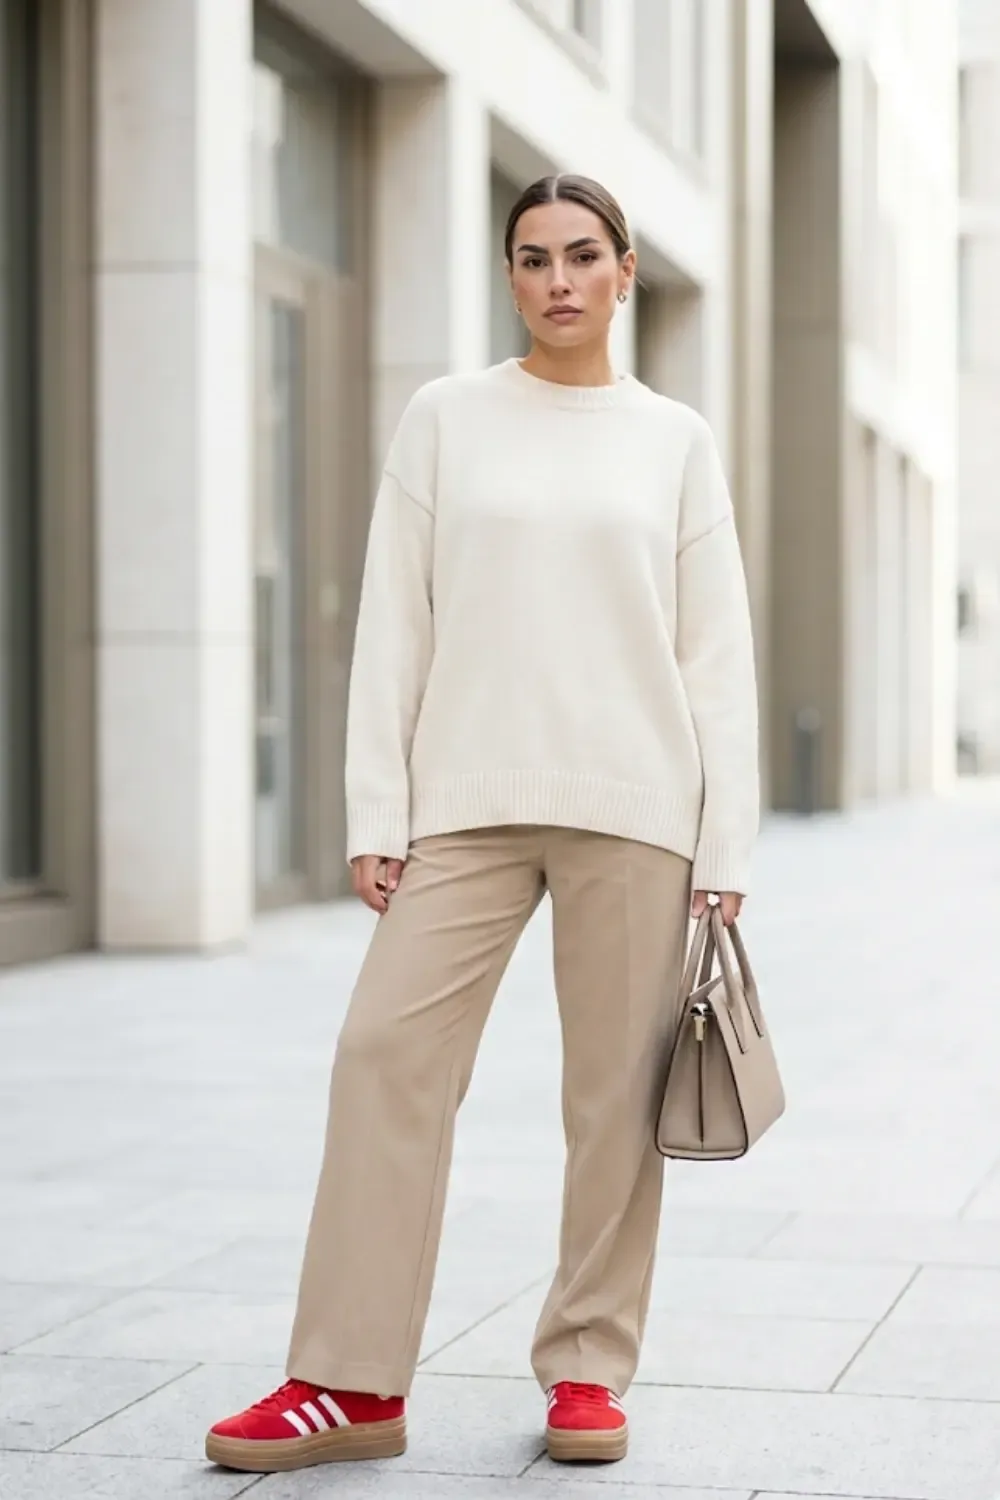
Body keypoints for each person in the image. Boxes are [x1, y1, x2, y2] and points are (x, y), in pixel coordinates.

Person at [206, 173, 759, 1474]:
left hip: (635, 806)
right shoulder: (448, 417)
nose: (557, 280)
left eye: (581, 255)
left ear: (625, 271)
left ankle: (585, 1370)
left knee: (613, 1105)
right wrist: (377, 806)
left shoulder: (672, 437)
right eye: (530, 258)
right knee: (383, 1056)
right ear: (509, 275)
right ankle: (349, 1383)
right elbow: (395, 618)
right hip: (464, 802)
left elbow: (716, 654)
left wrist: (723, 848)